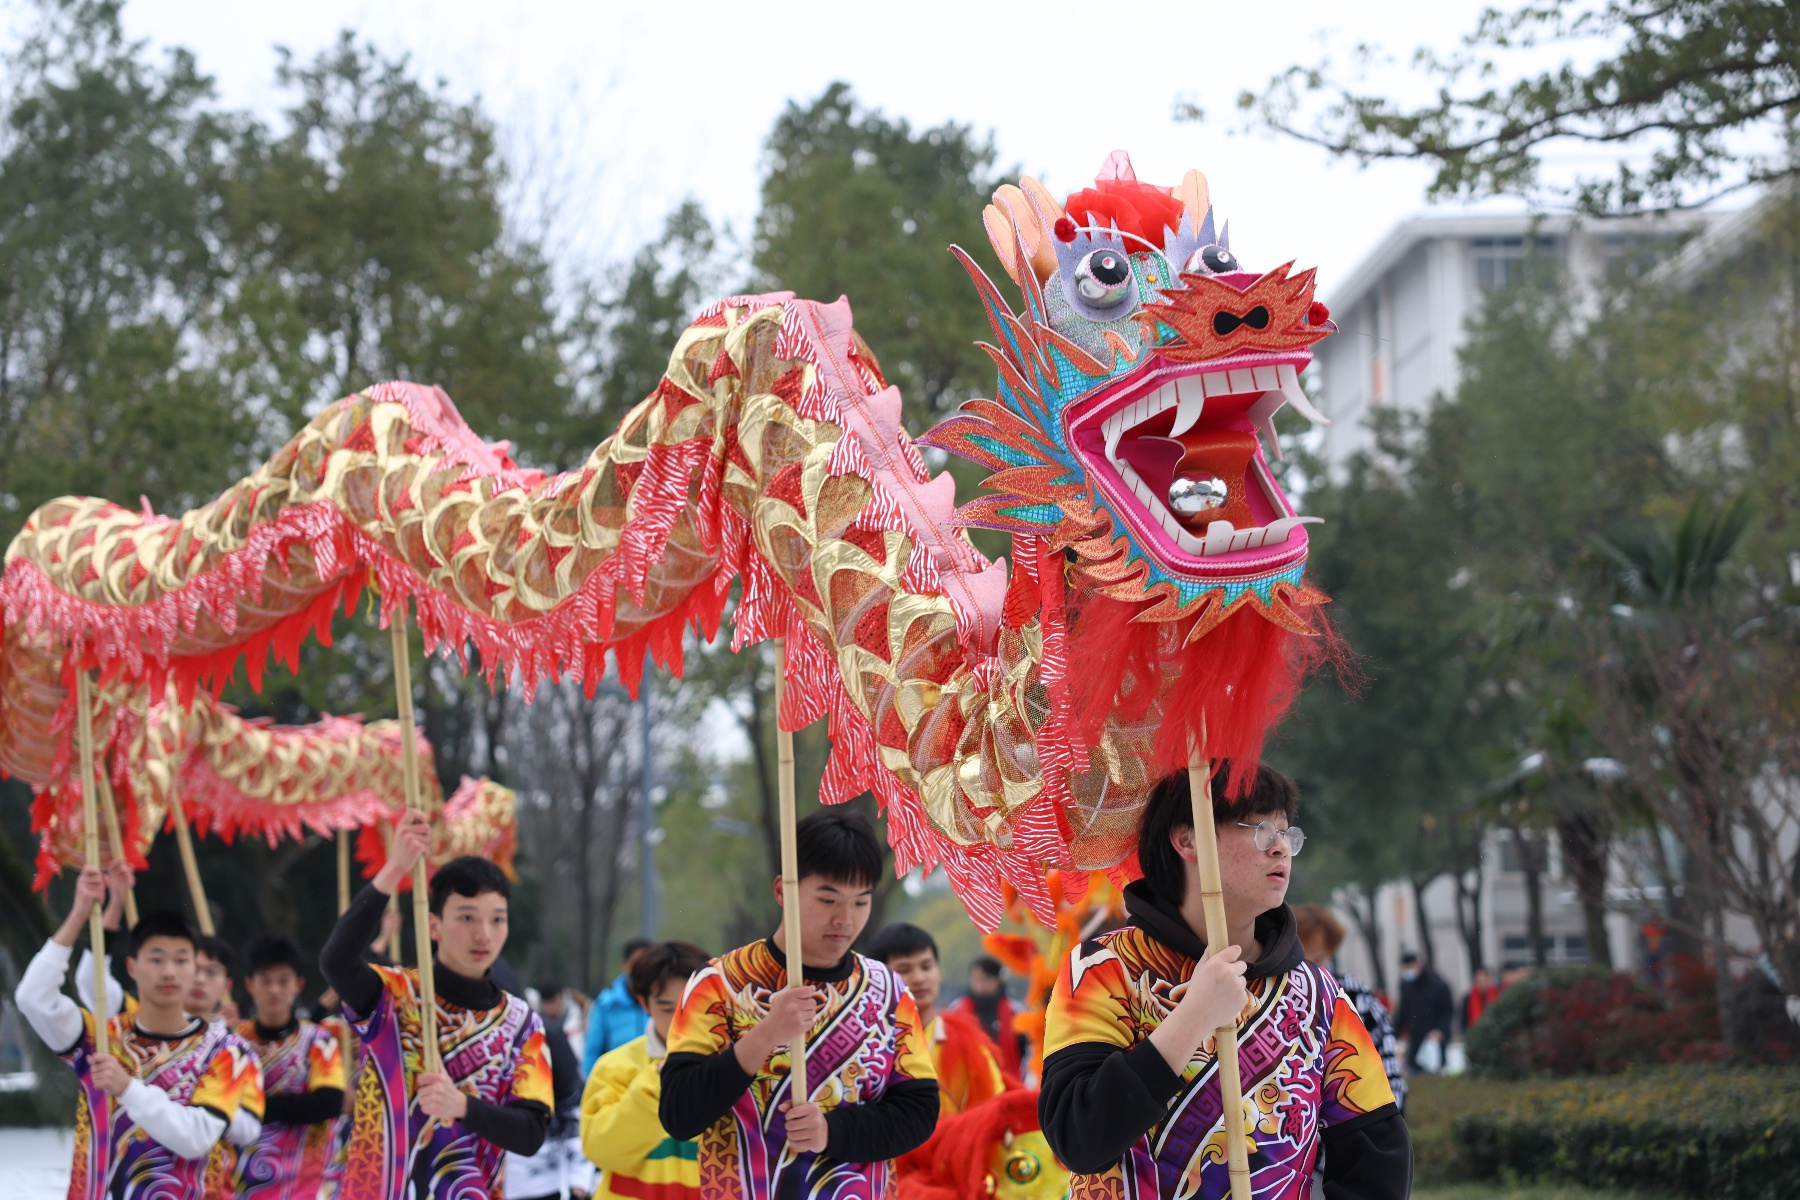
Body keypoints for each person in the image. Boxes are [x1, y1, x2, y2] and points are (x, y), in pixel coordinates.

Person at [1038, 764, 1410, 1199]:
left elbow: (1376, 1156)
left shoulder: (1320, 995)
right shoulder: (1104, 968)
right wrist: (1192, 1018)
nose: (1280, 849)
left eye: (1287, 833)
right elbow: (1078, 1141)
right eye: (1258, 829)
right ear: (1187, 839)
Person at [659, 809, 939, 1197]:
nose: (845, 919)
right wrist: (766, 1035)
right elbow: (679, 1114)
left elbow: (919, 1113)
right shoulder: (718, 983)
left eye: (861, 902)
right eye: (828, 899)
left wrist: (832, 1131)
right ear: (782, 890)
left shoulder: (889, 991)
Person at [320, 807, 554, 1200]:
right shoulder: (394, 994)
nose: (483, 934)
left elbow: (530, 1133)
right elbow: (336, 961)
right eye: (466, 917)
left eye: (497, 919)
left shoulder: (522, 1023)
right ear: (433, 925)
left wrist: (462, 1105)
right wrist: (396, 868)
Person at [14, 869, 265, 1200]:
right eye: (156, 959)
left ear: (194, 970)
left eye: (181, 960)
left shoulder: (226, 1051)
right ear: (132, 967)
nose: (169, 971)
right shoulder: (100, 1038)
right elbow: (33, 998)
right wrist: (79, 912)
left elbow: (197, 1137)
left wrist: (126, 1088)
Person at [580, 941, 711, 1199]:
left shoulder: (735, 1066)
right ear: (644, 1004)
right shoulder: (614, 1067)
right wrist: (659, 1083)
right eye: (667, 1008)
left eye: (693, 1007)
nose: (680, 1021)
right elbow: (600, 1150)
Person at [233, 933, 346, 1199]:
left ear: (298, 985)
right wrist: (298, 1105)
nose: (274, 989)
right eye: (266, 980)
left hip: (309, 1180)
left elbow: (328, 1102)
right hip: (245, 1180)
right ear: (249, 984)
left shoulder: (318, 1040)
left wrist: (258, 1108)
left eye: (283, 981)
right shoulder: (233, 1041)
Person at [869, 923, 1012, 1115]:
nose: (919, 978)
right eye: (904, 970)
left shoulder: (968, 1044)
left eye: (926, 966)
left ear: (938, 972)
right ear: (879, 978)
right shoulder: (864, 1047)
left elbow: (992, 1116)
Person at [1293, 903, 1405, 1111]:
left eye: (1320, 959)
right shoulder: (1275, 1001)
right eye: (1299, 961)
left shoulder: (1350, 994)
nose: (1311, 969)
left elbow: (1386, 1067)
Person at [505, 977, 592, 1200]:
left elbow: (572, 1107)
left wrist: (579, 1175)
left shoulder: (545, 1033)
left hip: (543, 1174)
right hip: (492, 1177)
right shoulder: (472, 1045)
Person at [950, 957, 1026, 1081]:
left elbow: (1028, 1053)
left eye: (985, 979)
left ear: (997, 980)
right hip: (969, 1085)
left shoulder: (1016, 1012)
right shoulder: (956, 1010)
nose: (979, 985)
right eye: (975, 979)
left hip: (1009, 1083)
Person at [582, 938, 651, 1075]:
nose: (641, 969)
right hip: (616, 1085)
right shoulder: (606, 1006)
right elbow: (592, 1052)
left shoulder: (664, 1003)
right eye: (635, 963)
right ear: (624, 965)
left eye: (646, 963)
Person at [1395, 952, 1454, 1074]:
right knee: (1414, 1069)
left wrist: (1440, 1030)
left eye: (1410, 967)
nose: (1408, 971)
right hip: (1415, 1037)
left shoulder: (1437, 984)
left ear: (1418, 965)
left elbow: (1447, 1010)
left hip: (1435, 1039)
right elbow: (1403, 1011)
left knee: (1435, 1071)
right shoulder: (1405, 985)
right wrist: (1395, 1035)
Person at [192, 935, 241, 1024]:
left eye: (211, 972)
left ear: (227, 986)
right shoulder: (159, 1033)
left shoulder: (230, 1037)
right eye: (194, 969)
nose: (200, 980)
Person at [1462, 966, 1500, 1031]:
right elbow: (1464, 1021)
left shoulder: (1498, 996)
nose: (1483, 983)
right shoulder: (1468, 998)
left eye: (1485, 979)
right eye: (1480, 980)